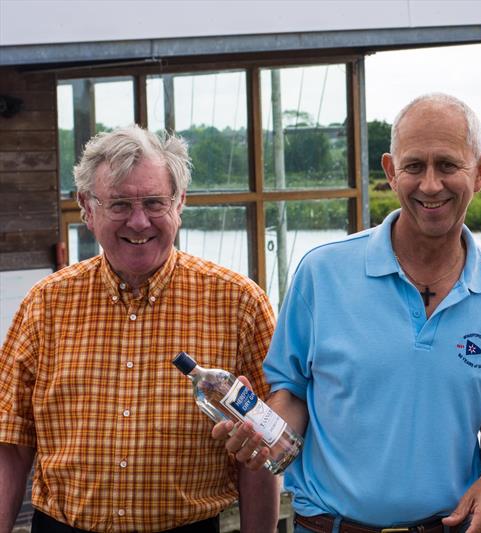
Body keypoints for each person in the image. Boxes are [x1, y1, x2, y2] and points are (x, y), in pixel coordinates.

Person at [213, 93, 481, 533]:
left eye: (448, 165)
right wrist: (264, 433)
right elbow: (291, 393)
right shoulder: (322, 273)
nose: (431, 185)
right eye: (414, 166)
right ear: (389, 172)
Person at [0, 125, 280, 533]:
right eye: (119, 205)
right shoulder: (45, 305)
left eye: (154, 203)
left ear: (179, 202)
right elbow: (10, 441)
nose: (138, 221)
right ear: (86, 206)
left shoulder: (239, 304)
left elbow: (260, 449)